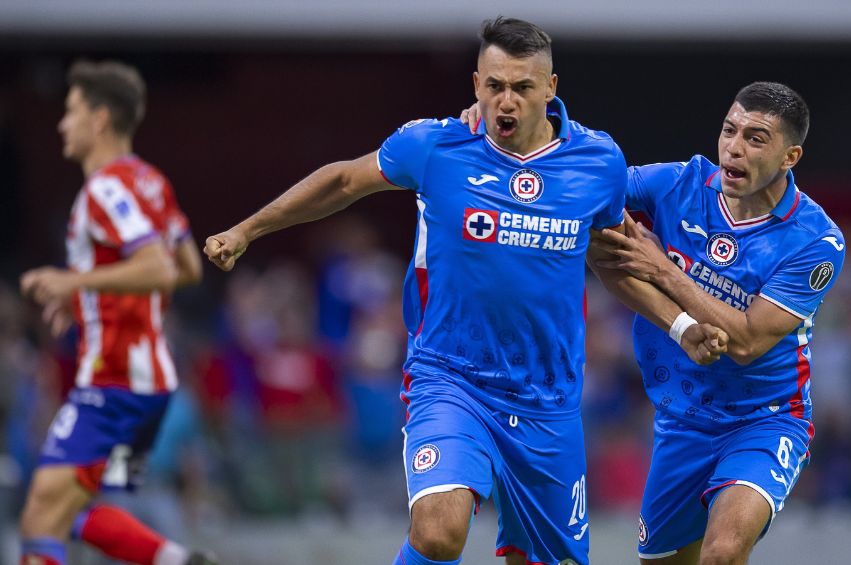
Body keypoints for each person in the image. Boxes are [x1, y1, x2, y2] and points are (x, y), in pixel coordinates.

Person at [204, 17, 724, 565]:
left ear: (550, 89)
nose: (506, 102)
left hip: (548, 402)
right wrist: (246, 231)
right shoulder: (435, 146)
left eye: (522, 88)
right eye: (495, 86)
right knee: (438, 530)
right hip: (452, 381)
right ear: (476, 84)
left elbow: (608, 261)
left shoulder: (598, 163)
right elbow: (341, 181)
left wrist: (681, 325)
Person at [591, 82, 845, 564]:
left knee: (722, 553)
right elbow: (587, 189)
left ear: (790, 156)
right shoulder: (676, 184)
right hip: (681, 421)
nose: (734, 146)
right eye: (730, 130)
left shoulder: (816, 241)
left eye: (755, 137)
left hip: (765, 419)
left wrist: (662, 266)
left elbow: (748, 339)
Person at [18, 60, 214, 565]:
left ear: (99, 119)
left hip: (115, 382)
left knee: (40, 518)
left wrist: (73, 281)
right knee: (77, 512)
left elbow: (158, 269)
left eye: (71, 111)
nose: (63, 124)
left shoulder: (104, 189)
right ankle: (180, 561)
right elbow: (188, 266)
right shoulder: (150, 181)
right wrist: (86, 301)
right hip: (152, 384)